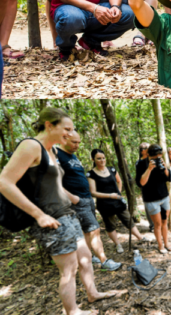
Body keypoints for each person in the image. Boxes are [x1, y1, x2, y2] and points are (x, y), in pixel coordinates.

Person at [0, 107, 125, 314]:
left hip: (68, 214)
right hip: (51, 219)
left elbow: (51, 184)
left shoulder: (51, 151)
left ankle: (92, 293)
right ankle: (72, 311)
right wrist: (38, 215)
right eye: (66, 128)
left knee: (85, 259)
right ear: (49, 125)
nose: (70, 133)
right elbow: (4, 182)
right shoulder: (31, 146)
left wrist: (71, 197)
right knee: (69, 269)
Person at [56, 131, 121, 270]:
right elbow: (53, 181)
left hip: (87, 198)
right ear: (64, 138)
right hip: (77, 201)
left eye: (79, 142)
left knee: (87, 231)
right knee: (94, 230)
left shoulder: (72, 156)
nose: (77, 145)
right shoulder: (56, 154)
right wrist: (72, 198)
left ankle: (89, 257)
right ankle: (104, 261)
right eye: (74, 142)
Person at [87, 149, 145, 253]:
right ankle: (118, 244)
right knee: (110, 225)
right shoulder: (91, 174)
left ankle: (140, 238)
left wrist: (118, 192)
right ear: (93, 159)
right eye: (98, 158)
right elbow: (93, 192)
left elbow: (119, 181)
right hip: (104, 204)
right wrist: (110, 195)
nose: (102, 160)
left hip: (117, 201)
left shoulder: (112, 169)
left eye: (103, 158)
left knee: (128, 219)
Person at [136, 144, 171, 253]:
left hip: (164, 197)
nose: (156, 157)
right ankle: (160, 245)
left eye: (159, 155)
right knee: (157, 225)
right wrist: (149, 169)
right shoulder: (141, 164)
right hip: (152, 200)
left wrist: (165, 167)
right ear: (148, 154)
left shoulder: (160, 161)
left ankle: (166, 243)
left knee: (164, 222)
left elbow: (168, 177)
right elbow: (141, 183)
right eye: (154, 156)